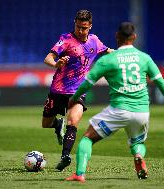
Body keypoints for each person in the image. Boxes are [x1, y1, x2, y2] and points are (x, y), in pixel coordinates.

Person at [65, 22, 164, 182]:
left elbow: (87, 83)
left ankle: (79, 174)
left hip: (118, 110)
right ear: (134, 37)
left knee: (88, 137)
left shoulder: (108, 60)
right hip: (141, 112)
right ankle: (139, 156)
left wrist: (74, 97)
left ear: (117, 36)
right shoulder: (144, 58)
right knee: (137, 142)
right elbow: (160, 82)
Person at [42, 9, 112, 171]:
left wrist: (126, 55)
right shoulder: (65, 39)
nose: (80, 31)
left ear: (90, 27)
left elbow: (109, 52)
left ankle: (65, 156)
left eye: (84, 28)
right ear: (75, 23)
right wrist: (56, 64)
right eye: (78, 27)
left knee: (73, 122)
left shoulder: (95, 41)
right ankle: (58, 124)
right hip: (58, 90)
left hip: (78, 91)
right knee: (46, 123)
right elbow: (48, 58)